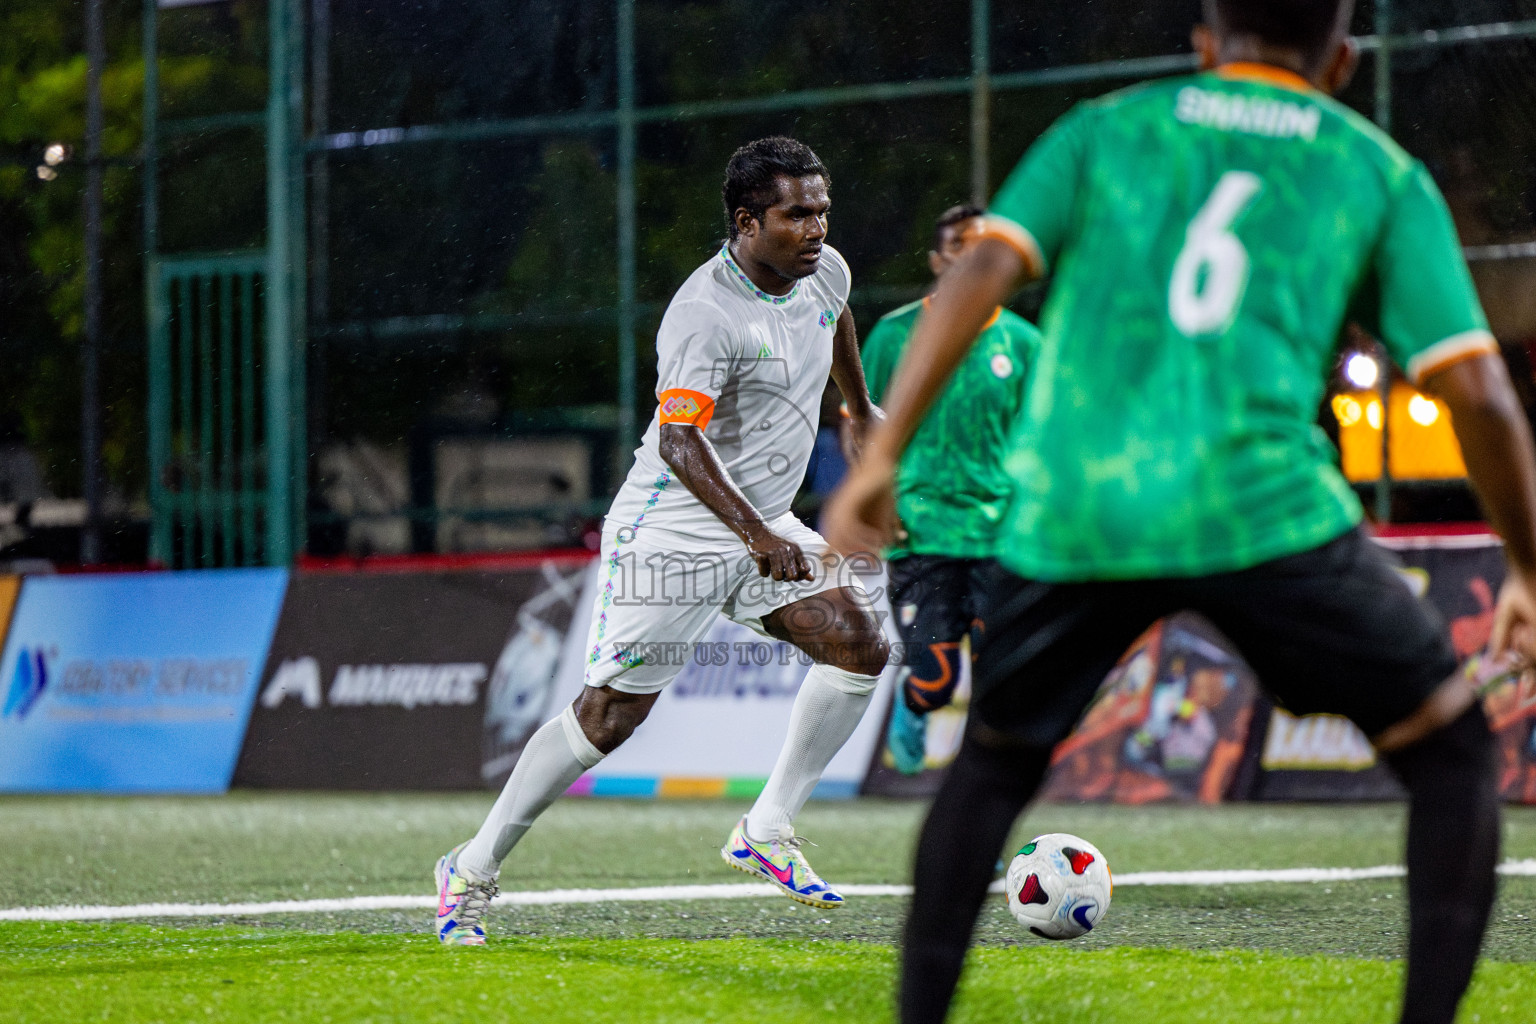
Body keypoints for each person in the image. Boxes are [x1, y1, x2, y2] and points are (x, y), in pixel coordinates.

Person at [823, 2, 1536, 1021]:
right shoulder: (1375, 169)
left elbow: (981, 270)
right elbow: (1478, 393)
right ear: (1343, 58)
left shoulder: (1105, 128)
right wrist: (1529, 569)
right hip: (1261, 510)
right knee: (1453, 751)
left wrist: (881, 451)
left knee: (993, 764)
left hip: (1079, 506)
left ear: (1204, 42)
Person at [434, 136, 890, 945]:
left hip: (760, 521)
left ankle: (767, 828)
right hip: (672, 527)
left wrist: (855, 409)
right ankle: (470, 869)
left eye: (822, 210)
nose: (817, 227)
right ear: (748, 222)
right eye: (797, 214)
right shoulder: (703, 312)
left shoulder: (827, 271)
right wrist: (753, 533)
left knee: (858, 644)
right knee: (607, 719)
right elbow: (681, 443)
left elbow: (838, 318)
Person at [860, 204, 1040, 774]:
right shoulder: (894, 335)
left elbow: (1038, 441)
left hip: (1001, 534)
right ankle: (917, 705)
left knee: (1007, 674)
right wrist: (874, 502)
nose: (972, 255)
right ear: (939, 260)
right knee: (937, 677)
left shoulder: (1026, 344)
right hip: (922, 529)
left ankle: (982, 784)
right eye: (959, 245)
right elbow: (860, 427)